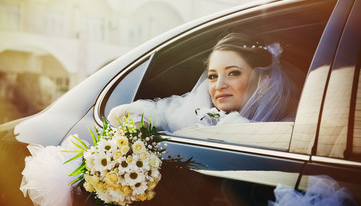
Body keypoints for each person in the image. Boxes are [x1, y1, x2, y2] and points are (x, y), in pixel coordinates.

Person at [108, 33, 300, 132]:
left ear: (264, 83)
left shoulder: (289, 128)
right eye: (213, 76)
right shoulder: (193, 113)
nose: (219, 85)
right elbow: (138, 114)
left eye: (233, 73)